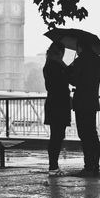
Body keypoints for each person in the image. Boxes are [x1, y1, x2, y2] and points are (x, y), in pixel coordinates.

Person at [68, 39, 100, 177]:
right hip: (92, 100)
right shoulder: (99, 61)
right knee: (93, 134)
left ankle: (88, 165)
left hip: (81, 100)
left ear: (80, 47)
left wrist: (70, 68)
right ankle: (95, 165)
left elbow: (74, 80)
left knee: (83, 134)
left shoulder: (80, 61)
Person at [43, 42, 71, 177]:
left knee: (56, 135)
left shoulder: (49, 65)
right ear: (59, 53)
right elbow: (65, 81)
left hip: (53, 103)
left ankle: (53, 165)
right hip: (59, 104)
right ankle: (53, 166)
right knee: (57, 137)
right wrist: (67, 68)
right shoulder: (56, 66)